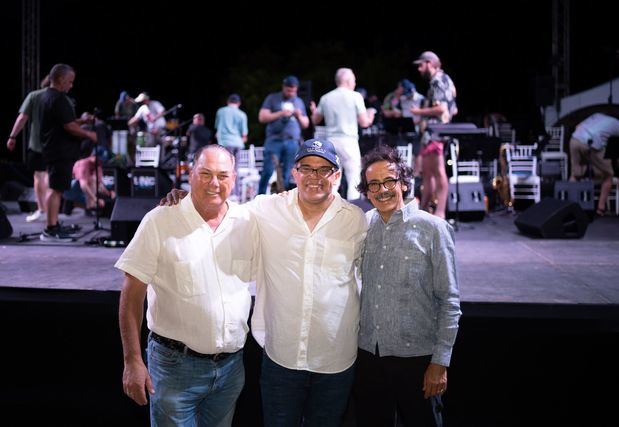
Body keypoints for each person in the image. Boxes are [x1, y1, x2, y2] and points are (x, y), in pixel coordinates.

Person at [162, 138, 368, 426]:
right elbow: (222, 206)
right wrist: (188, 196)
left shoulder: (356, 220)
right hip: (281, 357)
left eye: (324, 170)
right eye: (307, 168)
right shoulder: (265, 209)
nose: (314, 177)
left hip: (336, 358)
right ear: (294, 173)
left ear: (336, 175)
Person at [116, 145, 258, 426]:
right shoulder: (160, 221)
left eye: (222, 175)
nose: (214, 183)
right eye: (204, 173)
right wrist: (132, 360)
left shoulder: (249, 221)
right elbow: (131, 296)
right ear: (189, 175)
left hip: (231, 370)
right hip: (174, 369)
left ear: (235, 179)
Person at [353, 145, 461, 427]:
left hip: (417, 359)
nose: (382, 189)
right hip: (369, 357)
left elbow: (450, 301)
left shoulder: (433, 229)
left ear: (403, 182)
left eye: (389, 181)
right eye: (373, 184)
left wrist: (440, 363)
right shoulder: (365, 225)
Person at [39, 64, 97, 241]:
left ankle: (54, 224)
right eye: (70, 81)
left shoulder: (46, 96)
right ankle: (50, 229)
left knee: (56, 189)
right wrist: (89, 134)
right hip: (59, 150)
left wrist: (81, 120)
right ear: (61, 79)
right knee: (55, 190)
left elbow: (65, 121)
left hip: (54, 149)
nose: (71, 85)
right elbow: (68, 126)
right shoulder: (58, 98)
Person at [310, 68, 376, 200]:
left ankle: (329, 211)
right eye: (354, 80)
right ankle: (352, 212)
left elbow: (315, 120)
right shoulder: (356, 96)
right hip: (348, 141)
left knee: (333, 179)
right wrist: (371, 114)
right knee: (354, 178)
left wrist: (313, 110)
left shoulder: (326, 97)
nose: (355, 83)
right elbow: (364, 122)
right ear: (348, 80)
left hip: (331, 142)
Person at [411, 51, 458, 219]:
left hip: (436, 133)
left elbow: (442, 109)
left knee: (437, 172)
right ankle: (424, 209)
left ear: (430, 63)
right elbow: (454, 108)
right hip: (433, 132)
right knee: (428, 173)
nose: (419, 69)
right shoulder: (444, 80)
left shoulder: (438, 81)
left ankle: (440, 212)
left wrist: (419, 111)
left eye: (421, 65)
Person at [6, 75, 51, 222]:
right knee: (51, 177)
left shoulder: (34, 96)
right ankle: (52, 212)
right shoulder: (64, 99)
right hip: (57, 145)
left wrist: (12, 136)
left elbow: (22, 118)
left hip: (37, 144)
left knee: (39, 176)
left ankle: (42, 209)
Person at [258, 75, 310, 193]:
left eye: (293, 90)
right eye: (288, 90)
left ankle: (282, 198)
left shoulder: (299, 101)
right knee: (268, 170)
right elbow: (262, 117)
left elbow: (306, 123)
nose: (291, 92)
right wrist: (281, 113)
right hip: (274, 140)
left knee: (288, 172)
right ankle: (259, 198)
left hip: (292, 142)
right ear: (283, 87)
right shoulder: (273, 98)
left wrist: (298, 116)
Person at [569, 113, 619, 216]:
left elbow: (577, 126)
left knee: (575, 174)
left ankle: (570, 207)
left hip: (574, 140)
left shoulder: (597, 115)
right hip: (591, 144)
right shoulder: (617, 125)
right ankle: (600, 209)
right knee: (609, 175)